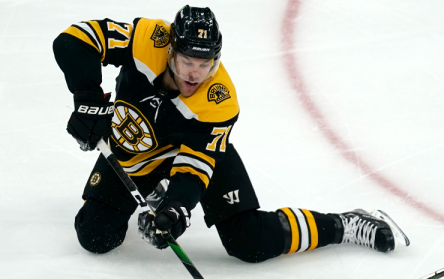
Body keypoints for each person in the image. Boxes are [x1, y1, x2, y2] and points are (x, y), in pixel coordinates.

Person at [53, 6, 409, 263]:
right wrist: (88, 102)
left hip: (187, 152)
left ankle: (343, 224)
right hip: (136, 156)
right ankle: (154, 188)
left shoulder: (219, 101)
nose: (194, 74)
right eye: (186, 62)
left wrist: (177, 208)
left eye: (205, 65)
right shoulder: (150, 39)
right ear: (171, 52)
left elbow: (195, 165)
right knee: (95, 237)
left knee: (250, 242)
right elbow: (73, 41)